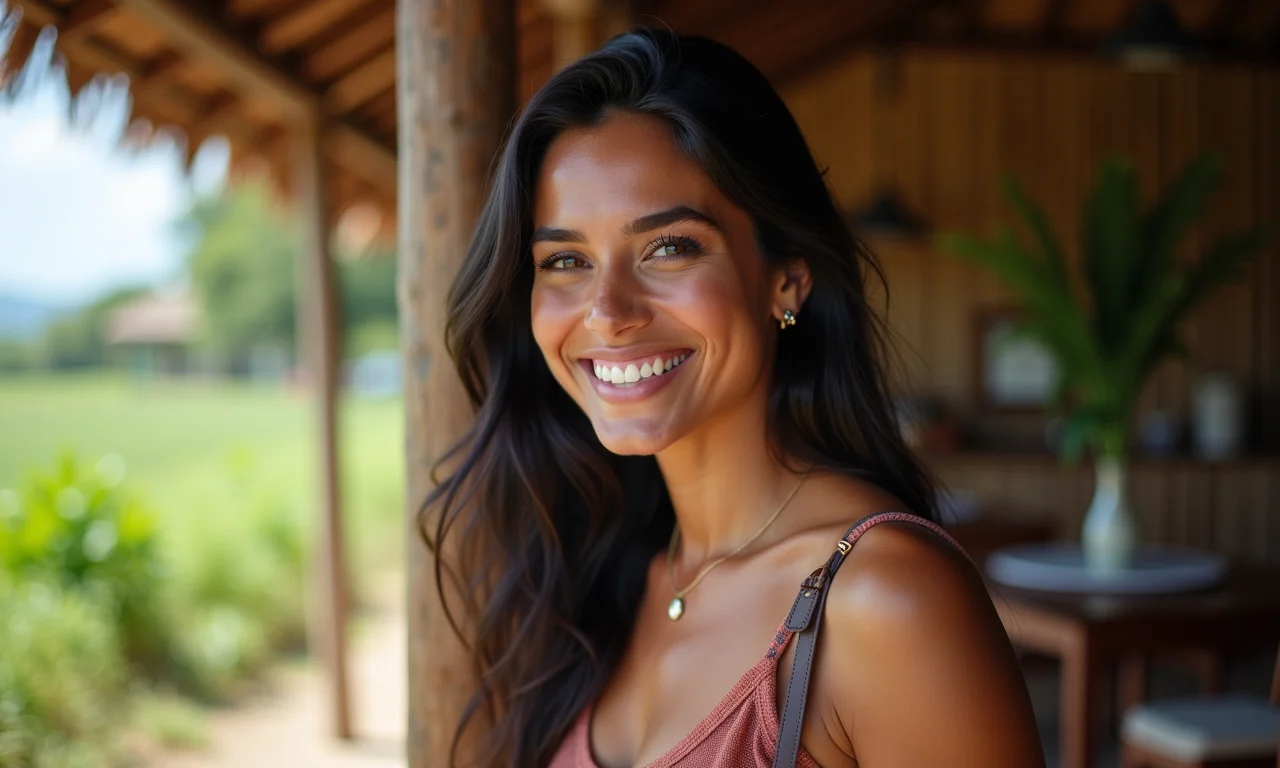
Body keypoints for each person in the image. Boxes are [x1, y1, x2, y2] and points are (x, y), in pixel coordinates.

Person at [422, 27, 1046, 768]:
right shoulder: (602, 572)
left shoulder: (885, 600)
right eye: (565, 259)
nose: (608, 312)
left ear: (786, 281)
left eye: (669, 247)